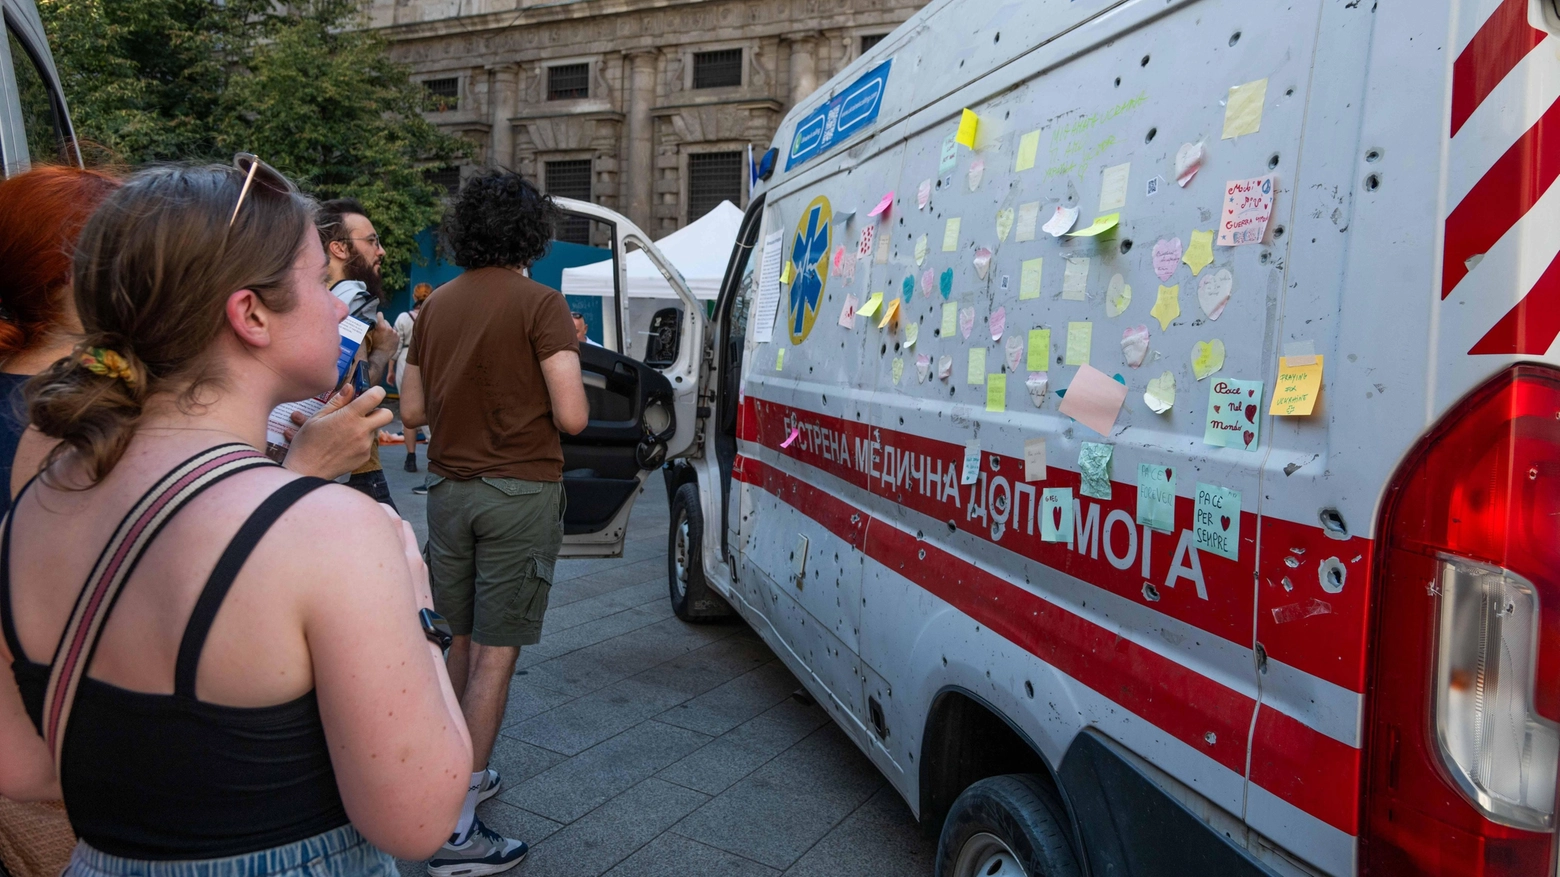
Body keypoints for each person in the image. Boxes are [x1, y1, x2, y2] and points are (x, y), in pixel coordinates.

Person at [0, 159, 474, 876]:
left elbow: (26, 766)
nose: (339, 307)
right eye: (319, 282)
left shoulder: (31, 512)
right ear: (250, 313)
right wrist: (416, 603)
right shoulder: (332, 533)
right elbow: (417, 819)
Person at [398, 169, 587, 874]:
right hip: (519, 493)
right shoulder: (541, 303)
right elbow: (572, 415)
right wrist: (562, 346)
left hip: (449, 491)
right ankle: (456, 824)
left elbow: (411, 412)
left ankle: (447, 778)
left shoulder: (435, 306)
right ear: (532, 233)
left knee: (457, 643)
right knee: (496, 658)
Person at [315, 199, 400, 507]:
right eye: (372, 242)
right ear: (339, 248)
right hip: (356, 469)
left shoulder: (311, 300)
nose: (381, 251)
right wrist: (384, 351)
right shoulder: (354, 304)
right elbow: (352, 391)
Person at [396, 284, 432, 473]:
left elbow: (396, 343)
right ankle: (435, 448)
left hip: (405, 359)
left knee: (408, 406)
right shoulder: (433, 315)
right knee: (428, 405)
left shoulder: (404, 317)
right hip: (428, 360)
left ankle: (411, 456)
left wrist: (390, 368)